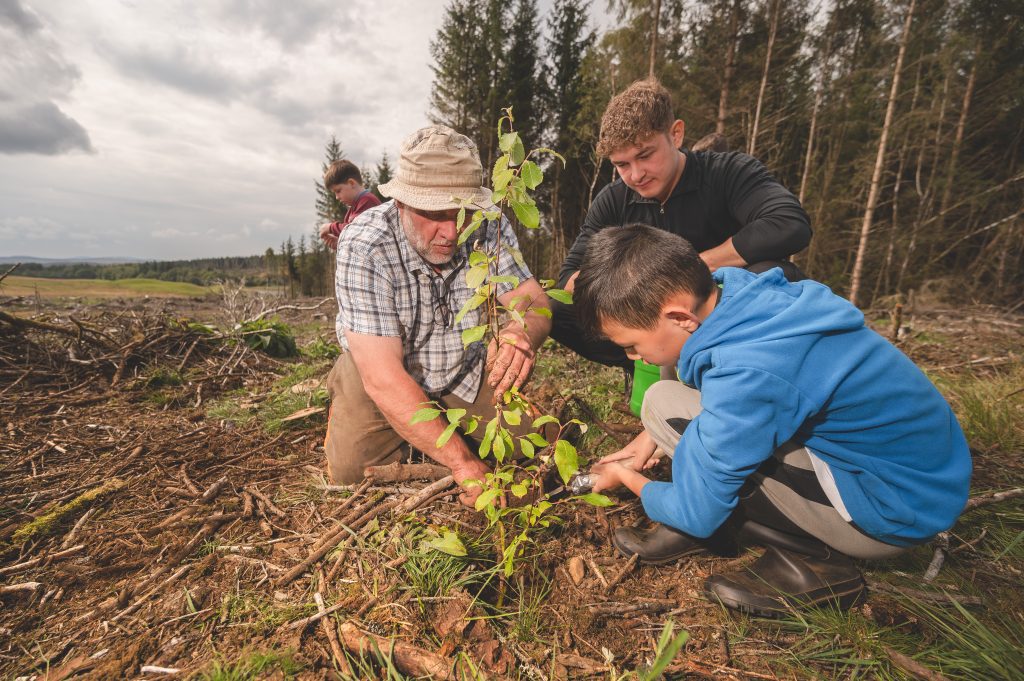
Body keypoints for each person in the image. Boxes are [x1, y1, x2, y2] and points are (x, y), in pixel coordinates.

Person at [574, 224, 972, 616]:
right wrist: (649, 439)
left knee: (681, 431)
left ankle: (815, 562)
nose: (633, 357)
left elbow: (699, 508)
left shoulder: (749, 372)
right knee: (666, 405)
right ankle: (728, 509)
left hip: (888, 515)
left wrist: (627, 477)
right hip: (917, 481)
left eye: (631, 345)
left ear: (680, 317)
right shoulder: (749, 296)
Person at [325, 126, 551, 506]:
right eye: (434, 215)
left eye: (462, 213)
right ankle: (350, 395)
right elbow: (383, 377)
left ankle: (428, 431)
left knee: (532, 443)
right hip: (385, 371)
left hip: (461, 369)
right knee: (350, 471)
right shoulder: (365, 245)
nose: (451, 231)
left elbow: (532, 299)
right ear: (400, 203)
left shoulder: (488, 224)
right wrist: (461, 462)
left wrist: (520, 332)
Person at [552, 79, 812, 371]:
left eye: (645, 155)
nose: (636, 175)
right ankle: (643, 362)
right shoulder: (614, 201)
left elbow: (789, 223)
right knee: (554, 307)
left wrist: (689, 270)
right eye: (621, 165)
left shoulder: (726, 173)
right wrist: (633, 289)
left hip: (725, 318)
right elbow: (569, 280)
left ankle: (753, 370)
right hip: (647, 323)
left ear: (676, 134)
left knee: (776, 274)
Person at [318, 159, 381, 249]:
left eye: (338, 191)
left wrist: (331, 227)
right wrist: (340, 242)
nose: (337, 197)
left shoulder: (367, 201)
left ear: (351, 183)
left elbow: (353, 229)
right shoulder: (355, 207)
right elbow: (356, 238)